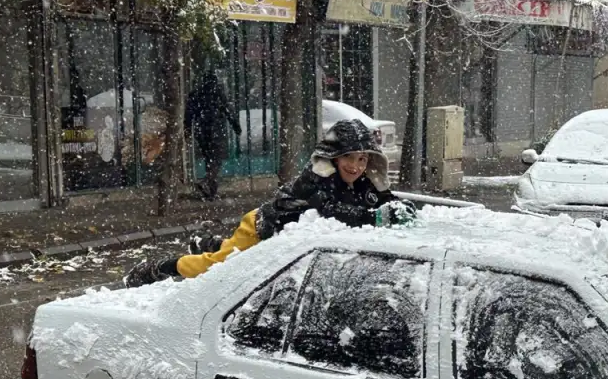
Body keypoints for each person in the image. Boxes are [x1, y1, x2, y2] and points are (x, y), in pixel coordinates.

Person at [124, 119, 415, 287]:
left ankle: (210, 241)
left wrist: (399, 208)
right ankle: (162, 267)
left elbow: (384, 200)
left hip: (281, 238)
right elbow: (331, 210)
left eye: (362, 159)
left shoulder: (364, 181)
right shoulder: (316, 179)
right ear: (333, 158)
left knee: (228, 250)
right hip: (262, 227)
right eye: (349, 158)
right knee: (219, 266)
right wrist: (374, 219)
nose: (355, 166)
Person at [185, 70, 240, 200]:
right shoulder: (217, 92)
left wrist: (188, 128)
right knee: (216, 160)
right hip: (216, 130)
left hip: (202, 130)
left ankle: (211, 191)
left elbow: (189, 113)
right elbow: (227, 109)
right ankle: (207, 183)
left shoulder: (196, 93)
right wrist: (235, 125)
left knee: (209, 158)